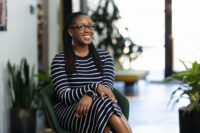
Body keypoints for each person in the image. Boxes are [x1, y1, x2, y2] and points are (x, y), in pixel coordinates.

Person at [51, 12, 132, 133]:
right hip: (72, 111)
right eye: (81, 26)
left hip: (99, 107)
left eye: (90, 26)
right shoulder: (60, 60)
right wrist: (94, 87)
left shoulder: (105, 57)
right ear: (70, 32)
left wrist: (90, 95)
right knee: (103, 106)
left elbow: (107, 90)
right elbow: (65, 96)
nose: (87, 30)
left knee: (102, 105)